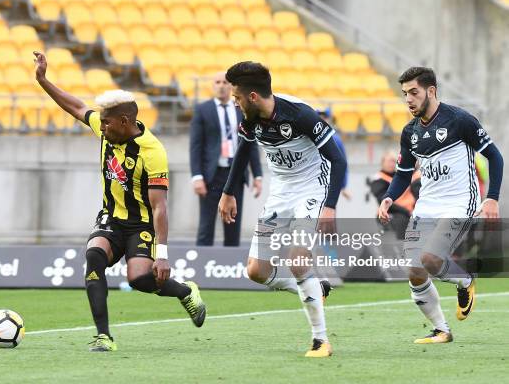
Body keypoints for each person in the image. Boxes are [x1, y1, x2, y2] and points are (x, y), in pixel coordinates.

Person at [34, 51, 206, 352]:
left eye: (107, 124)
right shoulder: (106, 129)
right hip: (111, 219)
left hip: (141, 224)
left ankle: (184, 291)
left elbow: (160, 206)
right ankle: (104, 336)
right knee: (94, 257)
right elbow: (76, 107)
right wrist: (43, 80)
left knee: (140, 279)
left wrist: (162, 255)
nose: (101, 127)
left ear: (125, 121)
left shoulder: (152, 151)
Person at [218, 62, 347, 357]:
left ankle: (320, 340)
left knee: (299, 259)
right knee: (256, 271)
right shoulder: (250, 118)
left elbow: (338, 160)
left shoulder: (300, 114)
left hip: (312, 190)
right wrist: (228, 193)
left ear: (252, 96)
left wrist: (330, 207)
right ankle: (317, 288)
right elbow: (243, 151)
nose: (234, 103)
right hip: (281, 194)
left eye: (236, 98)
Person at [378, 67, 503, 344]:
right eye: (404, 94)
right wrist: (389, 196)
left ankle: (465, 280)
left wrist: (492, 197)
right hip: (428, 205)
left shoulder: (460, 120)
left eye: (414, 92)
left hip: (460, 202)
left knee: (431, 259)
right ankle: (441, 330)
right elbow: (403, 172)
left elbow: (495, 157)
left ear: (431, 91)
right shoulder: (409, 131)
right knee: (414, 269)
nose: (408, 99)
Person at [190, 71, 263, 246]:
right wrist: (197, 176)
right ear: (212, 85)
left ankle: (230, 264)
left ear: (231, 87)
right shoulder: (202, 110)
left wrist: (258, 175)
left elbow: (251, 144)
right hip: (211, 175)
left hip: (236, 174)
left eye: (225, 82)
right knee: (206, 224)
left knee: (233, 223)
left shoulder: (241, 108)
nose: (221, 86)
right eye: (217, 82)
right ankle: (202, 263)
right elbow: (196, 145)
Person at [369, 151, 420, 238]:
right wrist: (406, 212)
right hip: (392, 212)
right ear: (382, 163)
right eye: (389, 161)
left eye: (394, 161)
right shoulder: (379, 179)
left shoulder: (402, 178)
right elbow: (382, 200)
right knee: (401, 220)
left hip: (410, 211)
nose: (392, 164)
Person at [318, 108, 351, 201]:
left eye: (325, 117)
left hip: (329, 184)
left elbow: (342, 163)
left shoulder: (336, 140)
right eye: (319, 117)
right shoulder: (308, 138)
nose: (322, 120)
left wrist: (343, 186)